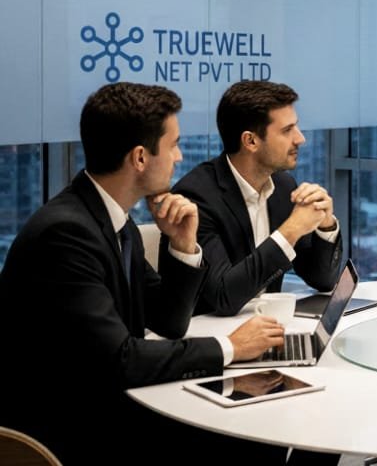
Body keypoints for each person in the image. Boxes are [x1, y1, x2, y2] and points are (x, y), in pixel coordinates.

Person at [0, 83, 287, 465]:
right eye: (173, 145)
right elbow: (120, 360)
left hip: (111, 400)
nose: (179, 156)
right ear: (139, 157)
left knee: (260, 417)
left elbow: (168, 321)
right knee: (251, 434)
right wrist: (231, 348)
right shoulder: (67, 234)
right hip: (67, 428)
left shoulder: (114, 221)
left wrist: (183, 246)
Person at [173, 80, 342, 316]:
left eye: (296, 127)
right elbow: (223, 297)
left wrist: (326, 226)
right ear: (250, 141)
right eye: (287, 130)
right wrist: (291, 230)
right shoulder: (196, 197)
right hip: (212, 331)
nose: (300, 138)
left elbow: (322, 280)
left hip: (266, 325)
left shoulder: (283, 187)